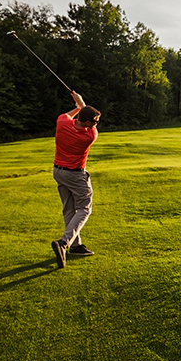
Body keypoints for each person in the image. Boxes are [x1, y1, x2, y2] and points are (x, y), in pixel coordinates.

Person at [51, 91, 101, 268]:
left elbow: (73, 115)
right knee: (84, 209)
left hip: (58, 171)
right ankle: (64, 243)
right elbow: (85, 116)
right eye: (95, 122)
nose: (96, 124)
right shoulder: (89, 136)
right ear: (88, 123)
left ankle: (76, 245)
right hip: (75, 174)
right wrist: (81, 103)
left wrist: (79, 105)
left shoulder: (62, 122)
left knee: (69, 209)